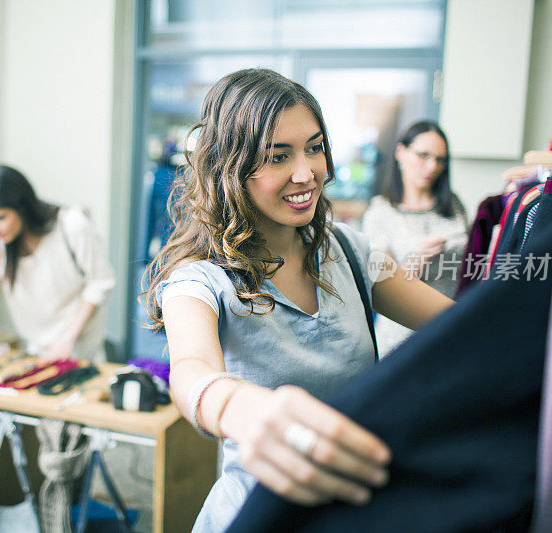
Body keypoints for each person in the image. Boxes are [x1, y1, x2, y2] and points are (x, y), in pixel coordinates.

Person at [142, 69, 455, 532]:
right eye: (278, 156)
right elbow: (191, 373)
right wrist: (246, 409)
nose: (306, 172)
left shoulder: (350, 250)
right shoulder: (200, 281)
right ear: (231, 166)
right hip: (256, 516)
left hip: (356, 512)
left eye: (314, 147)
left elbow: (460, 324)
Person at [0, 165, 115, 363]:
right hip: (37, 347)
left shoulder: (72, 226)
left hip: (81, 348)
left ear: (23, 207)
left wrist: (67, 338)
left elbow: (100, 283)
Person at [361, 121, 468, 356]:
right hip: (400, 340)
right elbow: (379, 285)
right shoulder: (381, 213)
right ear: (401, 153)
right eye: (423, 155)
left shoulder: (454, 205)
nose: (432, 166)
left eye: (440, 160)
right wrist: (417, 259)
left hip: (450, 331)